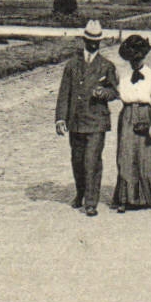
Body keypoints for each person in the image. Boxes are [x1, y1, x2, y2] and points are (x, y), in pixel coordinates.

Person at [55, 19, 120, 216]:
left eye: (97, 41)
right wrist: (60, 119)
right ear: (84, 40)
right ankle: (80, 193)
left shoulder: (107, 66)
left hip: (96, 121)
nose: (93, 44)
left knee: (92, 161)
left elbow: (115, 92)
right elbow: (64, 93)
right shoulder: (72, 65)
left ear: (100, 42)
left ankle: (91, 202)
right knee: (77, 160)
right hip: (76, 121)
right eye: (90, 40)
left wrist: (104, 92)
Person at [111, 34, 151, 211]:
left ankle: (148, 198)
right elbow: (118, 94)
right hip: (127, 115)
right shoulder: (124, 76)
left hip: (146, 114)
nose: (135, 63)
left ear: (144, 56)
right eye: (132, 60)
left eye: (138, 58)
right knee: (125, 155)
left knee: (145, 156)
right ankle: (125, 198)